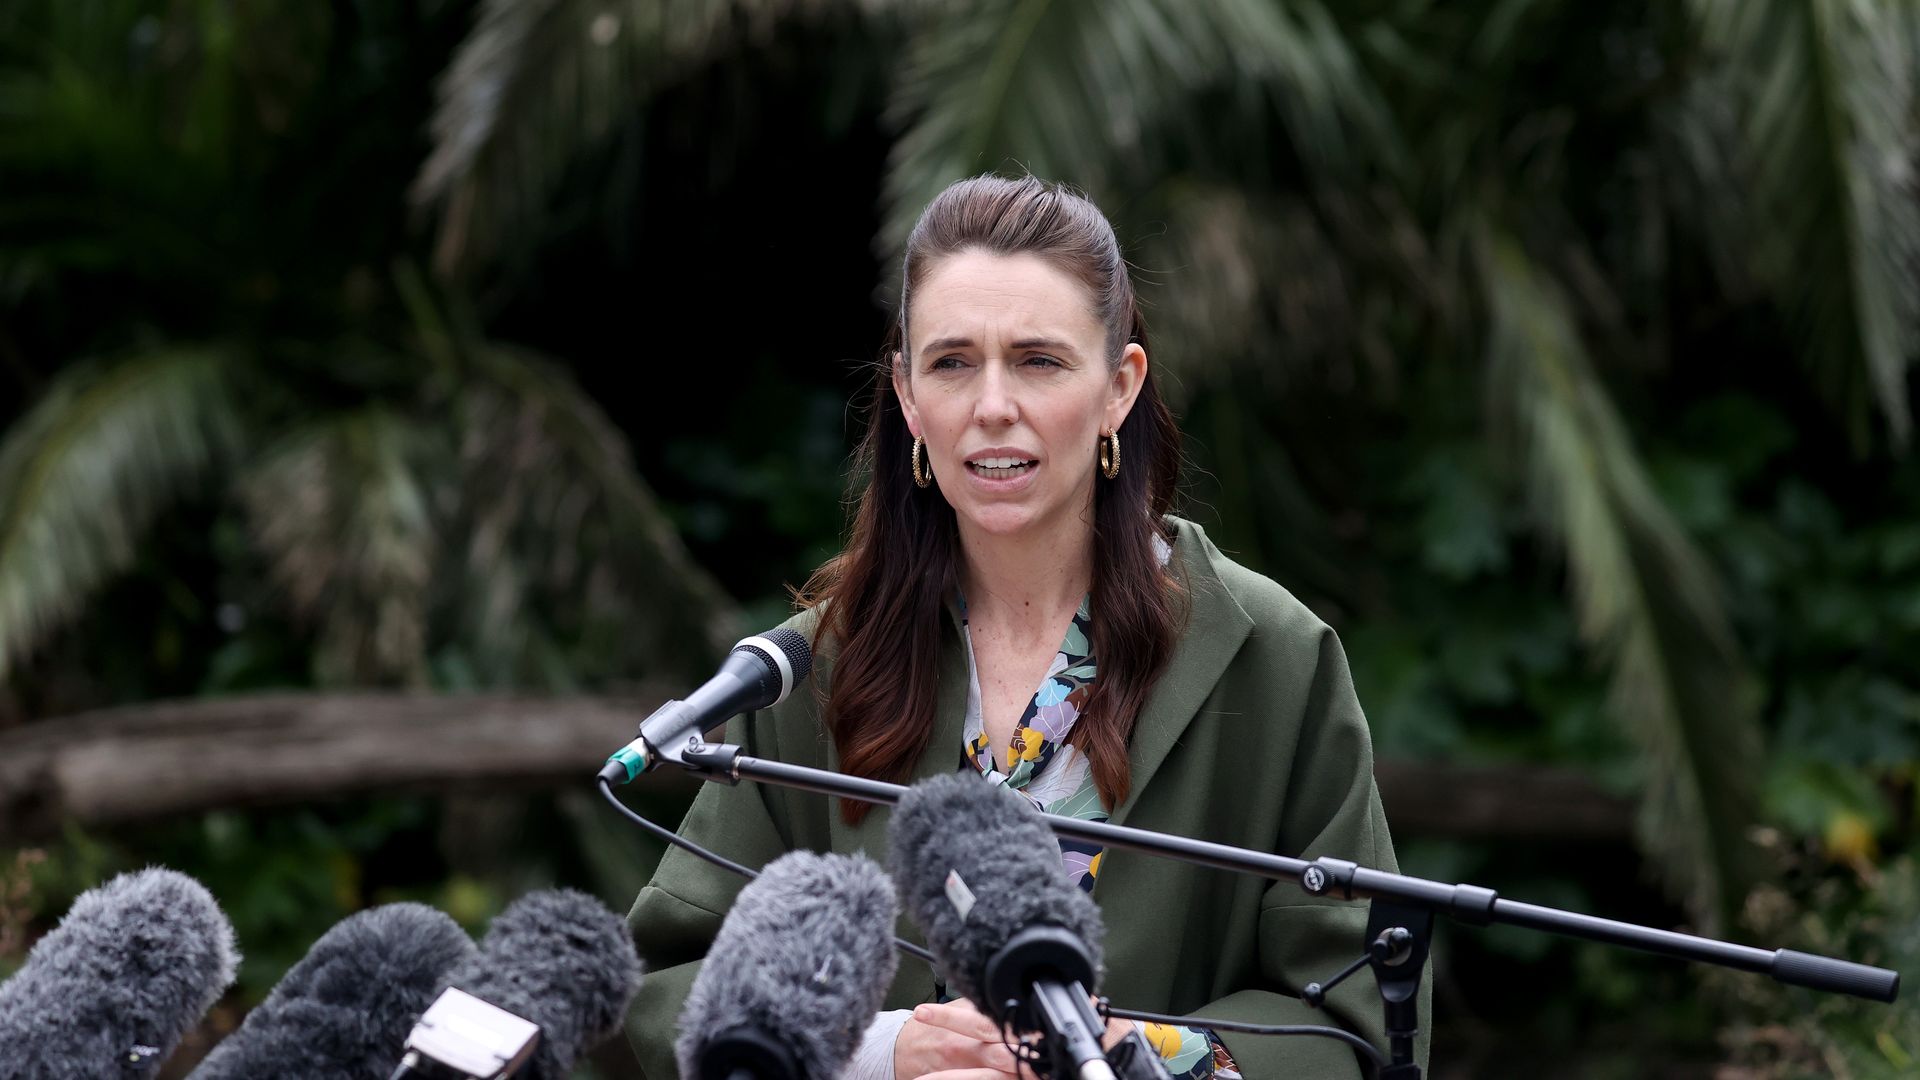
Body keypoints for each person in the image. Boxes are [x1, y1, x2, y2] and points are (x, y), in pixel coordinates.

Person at [624, 175, 1429, 1079]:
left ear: (1119, 387)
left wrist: (1152, 1057)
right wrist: (883, 1051)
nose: (993, 404)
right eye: (952, 362)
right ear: (907, 395)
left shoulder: (1269, 653)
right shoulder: (818, 663)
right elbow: (664, 986)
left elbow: (1352, 1014)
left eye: (1039, 361)